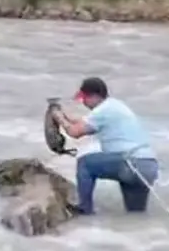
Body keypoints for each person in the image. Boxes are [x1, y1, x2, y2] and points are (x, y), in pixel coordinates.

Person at [52, 77, 159, 215]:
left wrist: (57, 117)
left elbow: (74, 132)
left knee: (85, 163)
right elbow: (82, 122)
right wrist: (64, 116)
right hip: (148, 166)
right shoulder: (115, 106)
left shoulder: (103, 110)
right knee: (135, 214)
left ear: (95, 96)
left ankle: (85, 209)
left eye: (85, 98)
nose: (83, 102)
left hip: (129, 163)